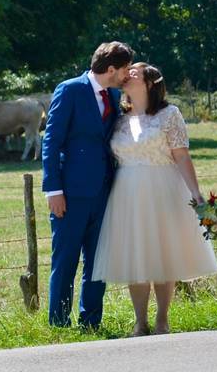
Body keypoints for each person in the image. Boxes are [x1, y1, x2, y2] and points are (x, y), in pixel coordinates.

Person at [92, 62, 217, 336]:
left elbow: (181, 155)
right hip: (126, 192)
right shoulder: (119, 117)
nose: (127, 76)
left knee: (163, 253)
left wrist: (196, 194)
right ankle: (140, 321)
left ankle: (162, 318)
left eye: (134, 73)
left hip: (163, 188)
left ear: (150, 83)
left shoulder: (169, 114)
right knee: (134, 256)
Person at [41, 41, 134, 329]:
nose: (127, 75)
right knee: (66, 261)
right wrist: (53, 190)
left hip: (104, 191)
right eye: (126, 69)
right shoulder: (70, 90)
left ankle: (90, 322)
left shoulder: (115, 93)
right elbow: (51, 141)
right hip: (70, 193)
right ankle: (59, 323)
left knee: (98, 263)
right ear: (111, 69)